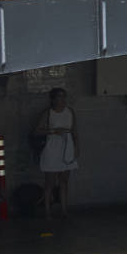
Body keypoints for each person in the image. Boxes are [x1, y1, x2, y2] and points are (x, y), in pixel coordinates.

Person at [35, 88, 79, 218]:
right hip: (52, 147)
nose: (62, 100)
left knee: (64, 181)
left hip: (67, 147)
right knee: (50, 182)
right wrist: (53, 131)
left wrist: (77, 147)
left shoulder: (70, 112)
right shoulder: (48, 113)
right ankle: (48, 211)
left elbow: (74, 131)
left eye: (64, 97)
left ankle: (64, 210)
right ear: (53, 99)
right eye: (59, 97)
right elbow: (36, 131)